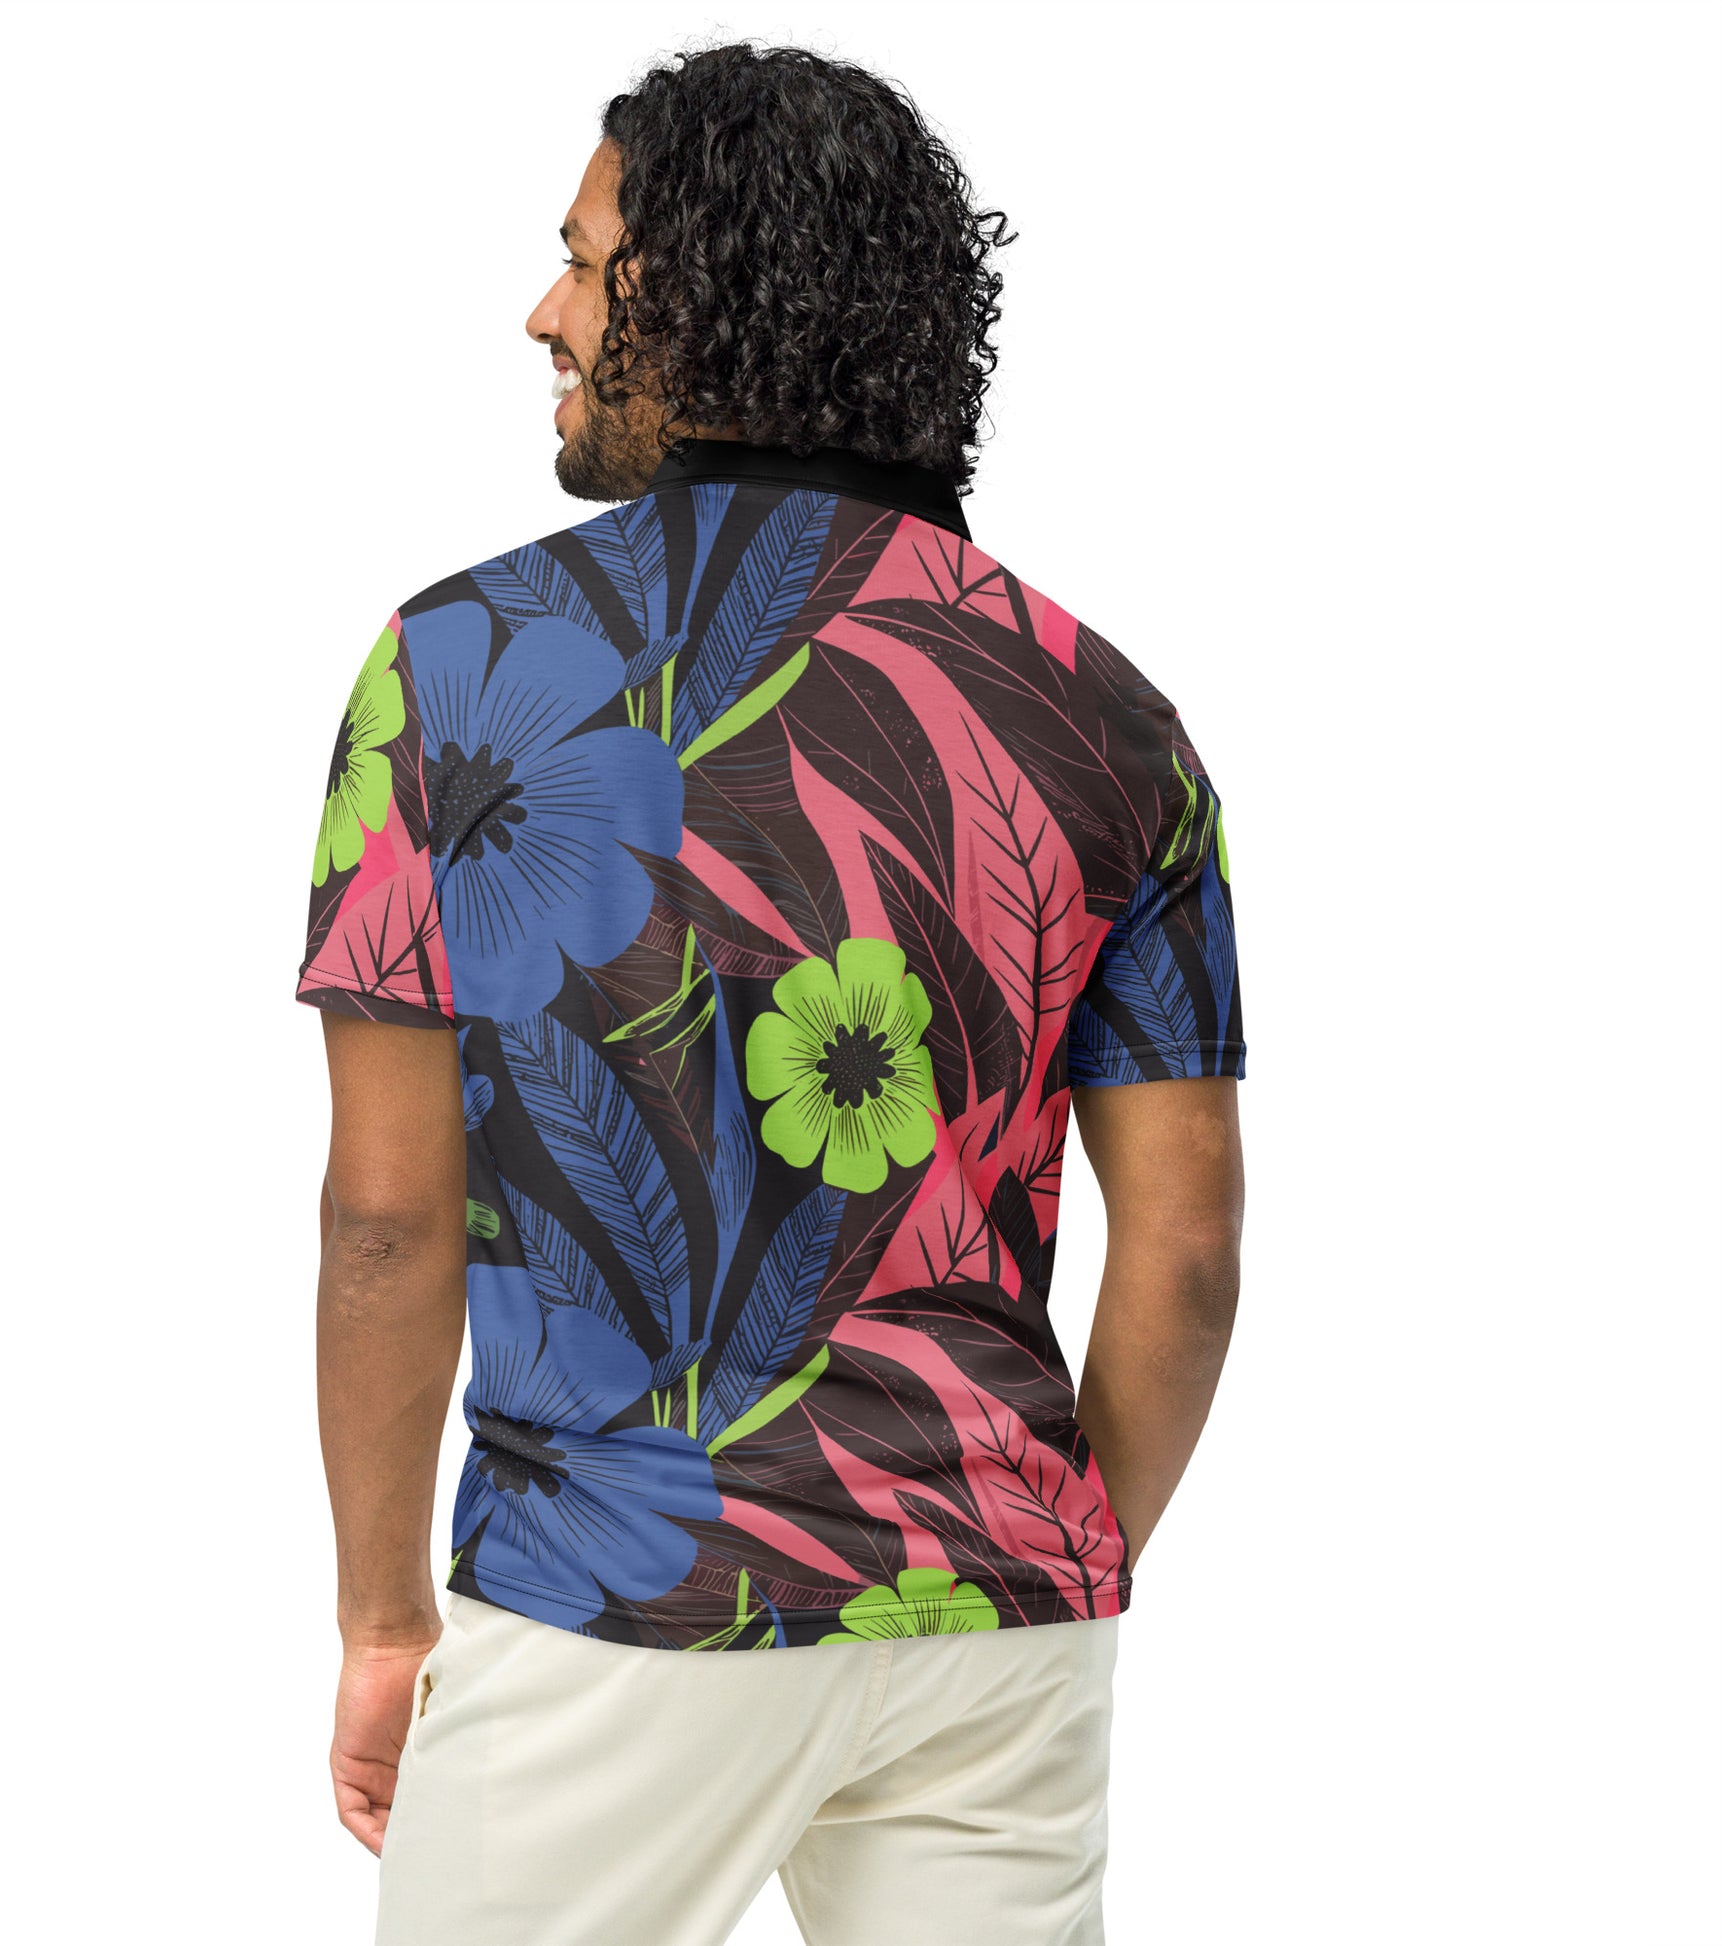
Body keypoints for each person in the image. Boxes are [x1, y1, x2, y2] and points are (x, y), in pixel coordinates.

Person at [297, 41, 1245, 1946]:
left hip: (617, 1593)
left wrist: (384, 1618)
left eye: (588, 265)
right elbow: (1190, 1248)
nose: (545, 313)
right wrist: (1034, 1562)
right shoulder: (1105, 710)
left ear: (706, 297)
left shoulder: (459, 667)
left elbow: (388, 1218)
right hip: (993, 1614)